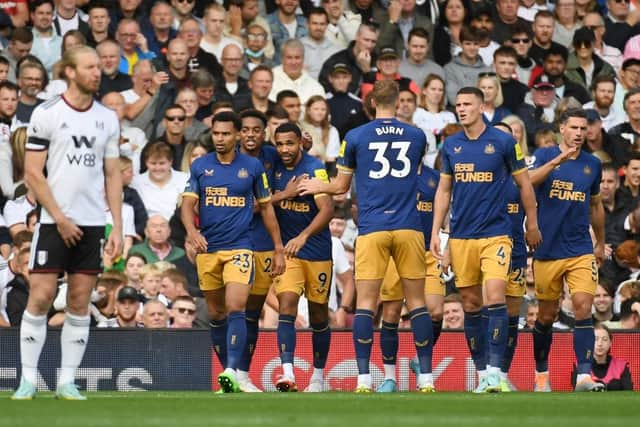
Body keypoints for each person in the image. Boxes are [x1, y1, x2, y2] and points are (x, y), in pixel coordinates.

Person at [298, 80, 436, 393]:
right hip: (408, 226)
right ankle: (426, 377)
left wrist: (320, 185)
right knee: (416, 304)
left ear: (371, 102)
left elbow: (341, 187)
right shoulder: (417, 135)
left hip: (373, 227)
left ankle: (363, 378)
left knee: (366, 305)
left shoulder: (356, 136)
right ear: (400, 102)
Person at [11, 46, 122, 401]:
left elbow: (112, 175)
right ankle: (27, 379)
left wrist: (116, 226)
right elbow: (32, 173)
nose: (98, 72)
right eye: (90, 67)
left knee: (78, 300)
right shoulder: (47, 114)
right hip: (52, 222)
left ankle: (66, 382)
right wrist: (58, 218)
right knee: (41, 296)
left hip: (91, 225)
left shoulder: (107, 118)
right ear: (70, 72)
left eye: (99, 67)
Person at [430, 86, 541, 393]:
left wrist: (531, 223)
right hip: (462, 236)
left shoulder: (503, 142)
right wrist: (437, 232)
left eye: (467, 104)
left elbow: (525, 185)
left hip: (497, 234)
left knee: (496, 297)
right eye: (458, 104)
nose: (461, 108)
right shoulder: (451, 145)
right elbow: (443, 191)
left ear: (481, 107)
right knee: (470, 303)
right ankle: (481, 373)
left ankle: (496, 371)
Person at [181, 111, 285, 393]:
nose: (220, 139)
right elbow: (187, 205)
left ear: (237, 135)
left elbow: (266, 208)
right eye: (216, 133)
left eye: (226, 134)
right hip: (208, 249)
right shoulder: (200, 166)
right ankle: (233, 377)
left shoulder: (252, 167)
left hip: (241, 247)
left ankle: (232, 371)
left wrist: (277, 247)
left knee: (236, 307)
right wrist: (192, 232)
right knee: (216, 313)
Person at [528, 108, 606, 393]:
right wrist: (557, 161)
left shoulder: (592, 164)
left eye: (583, 128)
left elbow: (596, 205)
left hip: (580, 249)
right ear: (562, 128)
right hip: (547, 248)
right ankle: (541, 374)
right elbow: (526, 182)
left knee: (584, 306)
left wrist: (600, 242)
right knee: (546, 316)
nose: (579, 133)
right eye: (574, 127)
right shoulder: (545, 154)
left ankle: (584, 376)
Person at [270, 122, 333, 392]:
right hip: (287, 252)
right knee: (287, 305)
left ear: (300, 142)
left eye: (290, 143)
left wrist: (304, 236)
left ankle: (318, 377)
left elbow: (327, 209)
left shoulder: (313, 169)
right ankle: (288, 373)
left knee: (319, 315)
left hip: (316, 250)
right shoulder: (271, 167)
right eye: (280, 144)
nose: (285, 149)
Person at [376, 164, 445, 393]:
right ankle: (389, 377)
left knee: (435, 311)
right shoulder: (388, 175)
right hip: (396, 251)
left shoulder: (434, 178)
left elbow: (446, 212)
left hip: (427, 250)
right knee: (391, 313)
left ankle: (420, 361)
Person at [233, 109, 279, 392]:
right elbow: (255, 203)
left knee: (251, 312)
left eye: (256, 130)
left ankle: (242, 373)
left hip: (262, 243)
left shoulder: (272, 156)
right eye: (246, 129)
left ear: (264, 133)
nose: (250, 134)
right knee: (230, 310)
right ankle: (230, 367)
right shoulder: (228, 160)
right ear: (239, 133)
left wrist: (305, 146)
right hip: (234, 241)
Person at [571, 323, 633, 390]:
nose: (600, 344)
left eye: (605, 339)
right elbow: (577, 390)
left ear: (610, 343)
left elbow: (628, 391)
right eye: (596, 339)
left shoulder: (621, 366)